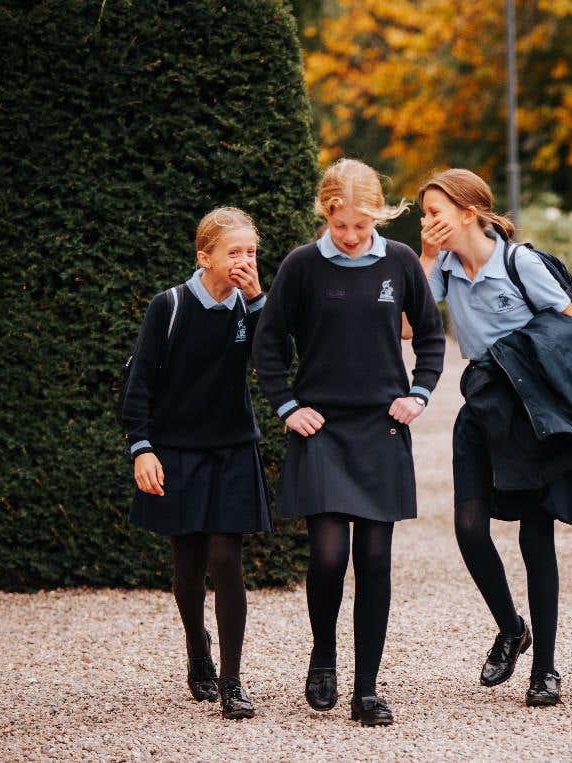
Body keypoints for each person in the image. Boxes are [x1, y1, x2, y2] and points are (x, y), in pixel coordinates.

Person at [252, 158, 445, 727]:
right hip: (323, 431)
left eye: (362, 226)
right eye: (342, 226)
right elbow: (268, 344)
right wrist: (288, 406)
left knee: (376, 558)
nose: (354, 237)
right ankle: (322, 658)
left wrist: (420, 394)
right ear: (327, 214)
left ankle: (366, 687)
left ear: (377, 217)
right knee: (330, 556)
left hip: (382, 430)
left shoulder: (402, 262)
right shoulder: (302, 266)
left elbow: (431, 338)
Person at [417, 168, 572, 708]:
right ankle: (510, 626)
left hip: (531, 411)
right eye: (425, 215)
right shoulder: (445, 267)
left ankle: (545, 669)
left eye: (434, 213)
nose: (427, 223)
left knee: (535, 539)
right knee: (470, 529)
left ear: (468, 213)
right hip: (480, 405)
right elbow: (409, 326)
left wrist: (522, 355)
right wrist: (425, 260)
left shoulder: (520, 263)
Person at [122, 206, 270, 720]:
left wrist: (255, 300)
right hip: (177, 451)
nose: (244, 260)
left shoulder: (250, 306)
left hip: (233, 449)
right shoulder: (171, 306)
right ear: (205, 256)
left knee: (227, 560)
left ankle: (232, 680)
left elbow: (274, 360)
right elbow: (139, 384)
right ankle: (197, 647)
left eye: (251, 251)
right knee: (187, 566)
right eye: (235, 252)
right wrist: (141, 448)